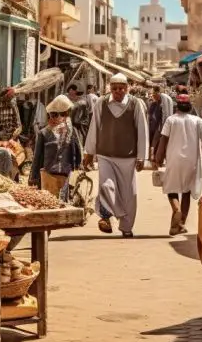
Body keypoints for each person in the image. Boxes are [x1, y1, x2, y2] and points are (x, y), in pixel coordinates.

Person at [83, 73, 149, 237]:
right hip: (106, 155)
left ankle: (126, 227)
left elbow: (142, 130)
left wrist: (142, 156)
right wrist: (89, 153)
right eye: (114, 88)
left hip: (128, 157)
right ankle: (106, 216)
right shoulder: (101, 102)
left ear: (127, 88)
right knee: (106, 186)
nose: (118, 91)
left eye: (121, 88)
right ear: (110, 89)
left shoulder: (136, 104)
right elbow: (94, 127)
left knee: (129, 194)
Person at [154, 94, 202, 236]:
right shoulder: (197, 121)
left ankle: (176, 209)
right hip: (191, 161)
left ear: (177, 106)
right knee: (187, 191)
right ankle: (180, 223)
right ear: (190, 106)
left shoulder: (171, 120)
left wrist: (158, 158)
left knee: (171, 189)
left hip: (174, 160)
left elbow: (163, 140)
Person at [29, 95, 82, 202]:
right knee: (48, 202)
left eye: (57, 115)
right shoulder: (44, 133)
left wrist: (76, 168)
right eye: (51, 115)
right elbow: (37, 158)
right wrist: (33, 179)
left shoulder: (72, 132)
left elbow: (78, 153)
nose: (52, 118)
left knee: (62, 202)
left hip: (65, 174)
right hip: (48, 174)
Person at [148, 89, 164, 156]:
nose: (153, 96)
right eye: (153, 94)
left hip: (158, 125)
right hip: (152, 125)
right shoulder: (153, 104)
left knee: (156, 140)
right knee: (152, 140)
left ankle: (154, 155)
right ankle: (151, 155)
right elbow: (150, 114)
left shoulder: (162, 105)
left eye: (155, 94)